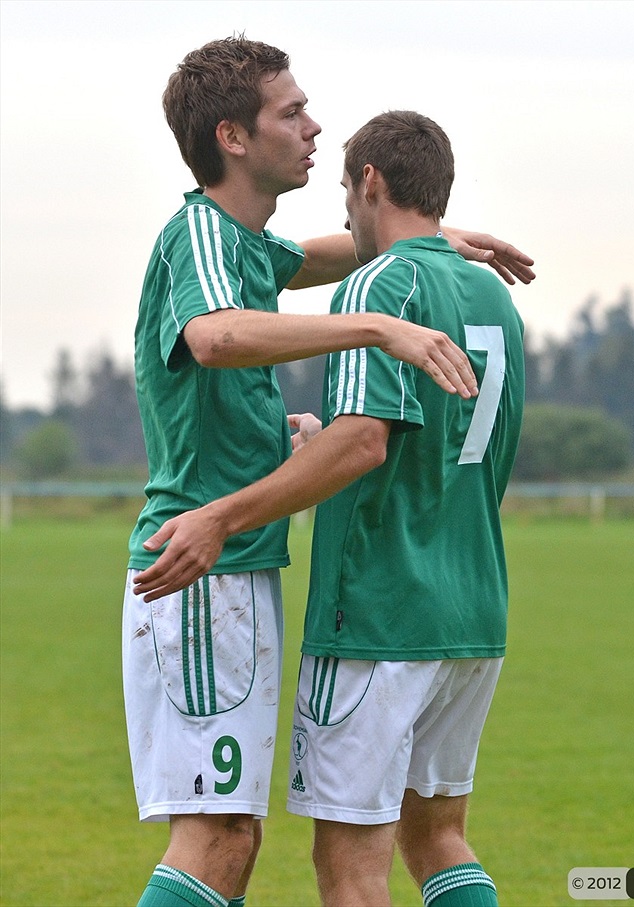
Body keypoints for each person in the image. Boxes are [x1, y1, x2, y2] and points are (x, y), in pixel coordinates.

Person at [126, 34, 533, 907]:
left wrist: (432, 237)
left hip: (241, 561)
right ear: (232, 136)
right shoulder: (200, 229)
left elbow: (319, 258)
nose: (315, 126)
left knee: (235, 840)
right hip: (201, 561)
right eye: (292, 110)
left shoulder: (249, 246)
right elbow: (217, 335)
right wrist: (378, 324)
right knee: (220, 838)